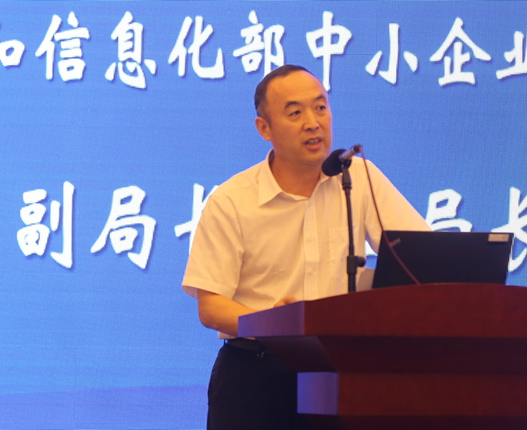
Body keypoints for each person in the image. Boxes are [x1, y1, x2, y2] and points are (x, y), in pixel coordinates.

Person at [182, 64, 431, 430]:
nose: (313, 123)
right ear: (264, 129)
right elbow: (211, 306)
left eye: (320, 107)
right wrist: (273, 323)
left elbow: (423, 259)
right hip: (255, 376)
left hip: (338, 372)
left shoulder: (358, 179)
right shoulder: (231, 201)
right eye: (295, 113)